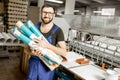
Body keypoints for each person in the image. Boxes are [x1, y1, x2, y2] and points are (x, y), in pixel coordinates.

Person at [26, 4, 67, 80]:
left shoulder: (58, 31)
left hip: (47, 66)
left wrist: (47, 45)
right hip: (33, 64)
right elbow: (26, 49)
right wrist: (31, 52)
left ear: (54, 15)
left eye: (50, 13)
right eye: (44, 12)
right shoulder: (34, 28)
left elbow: (64, 52)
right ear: (41, 13)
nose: (47, 15)